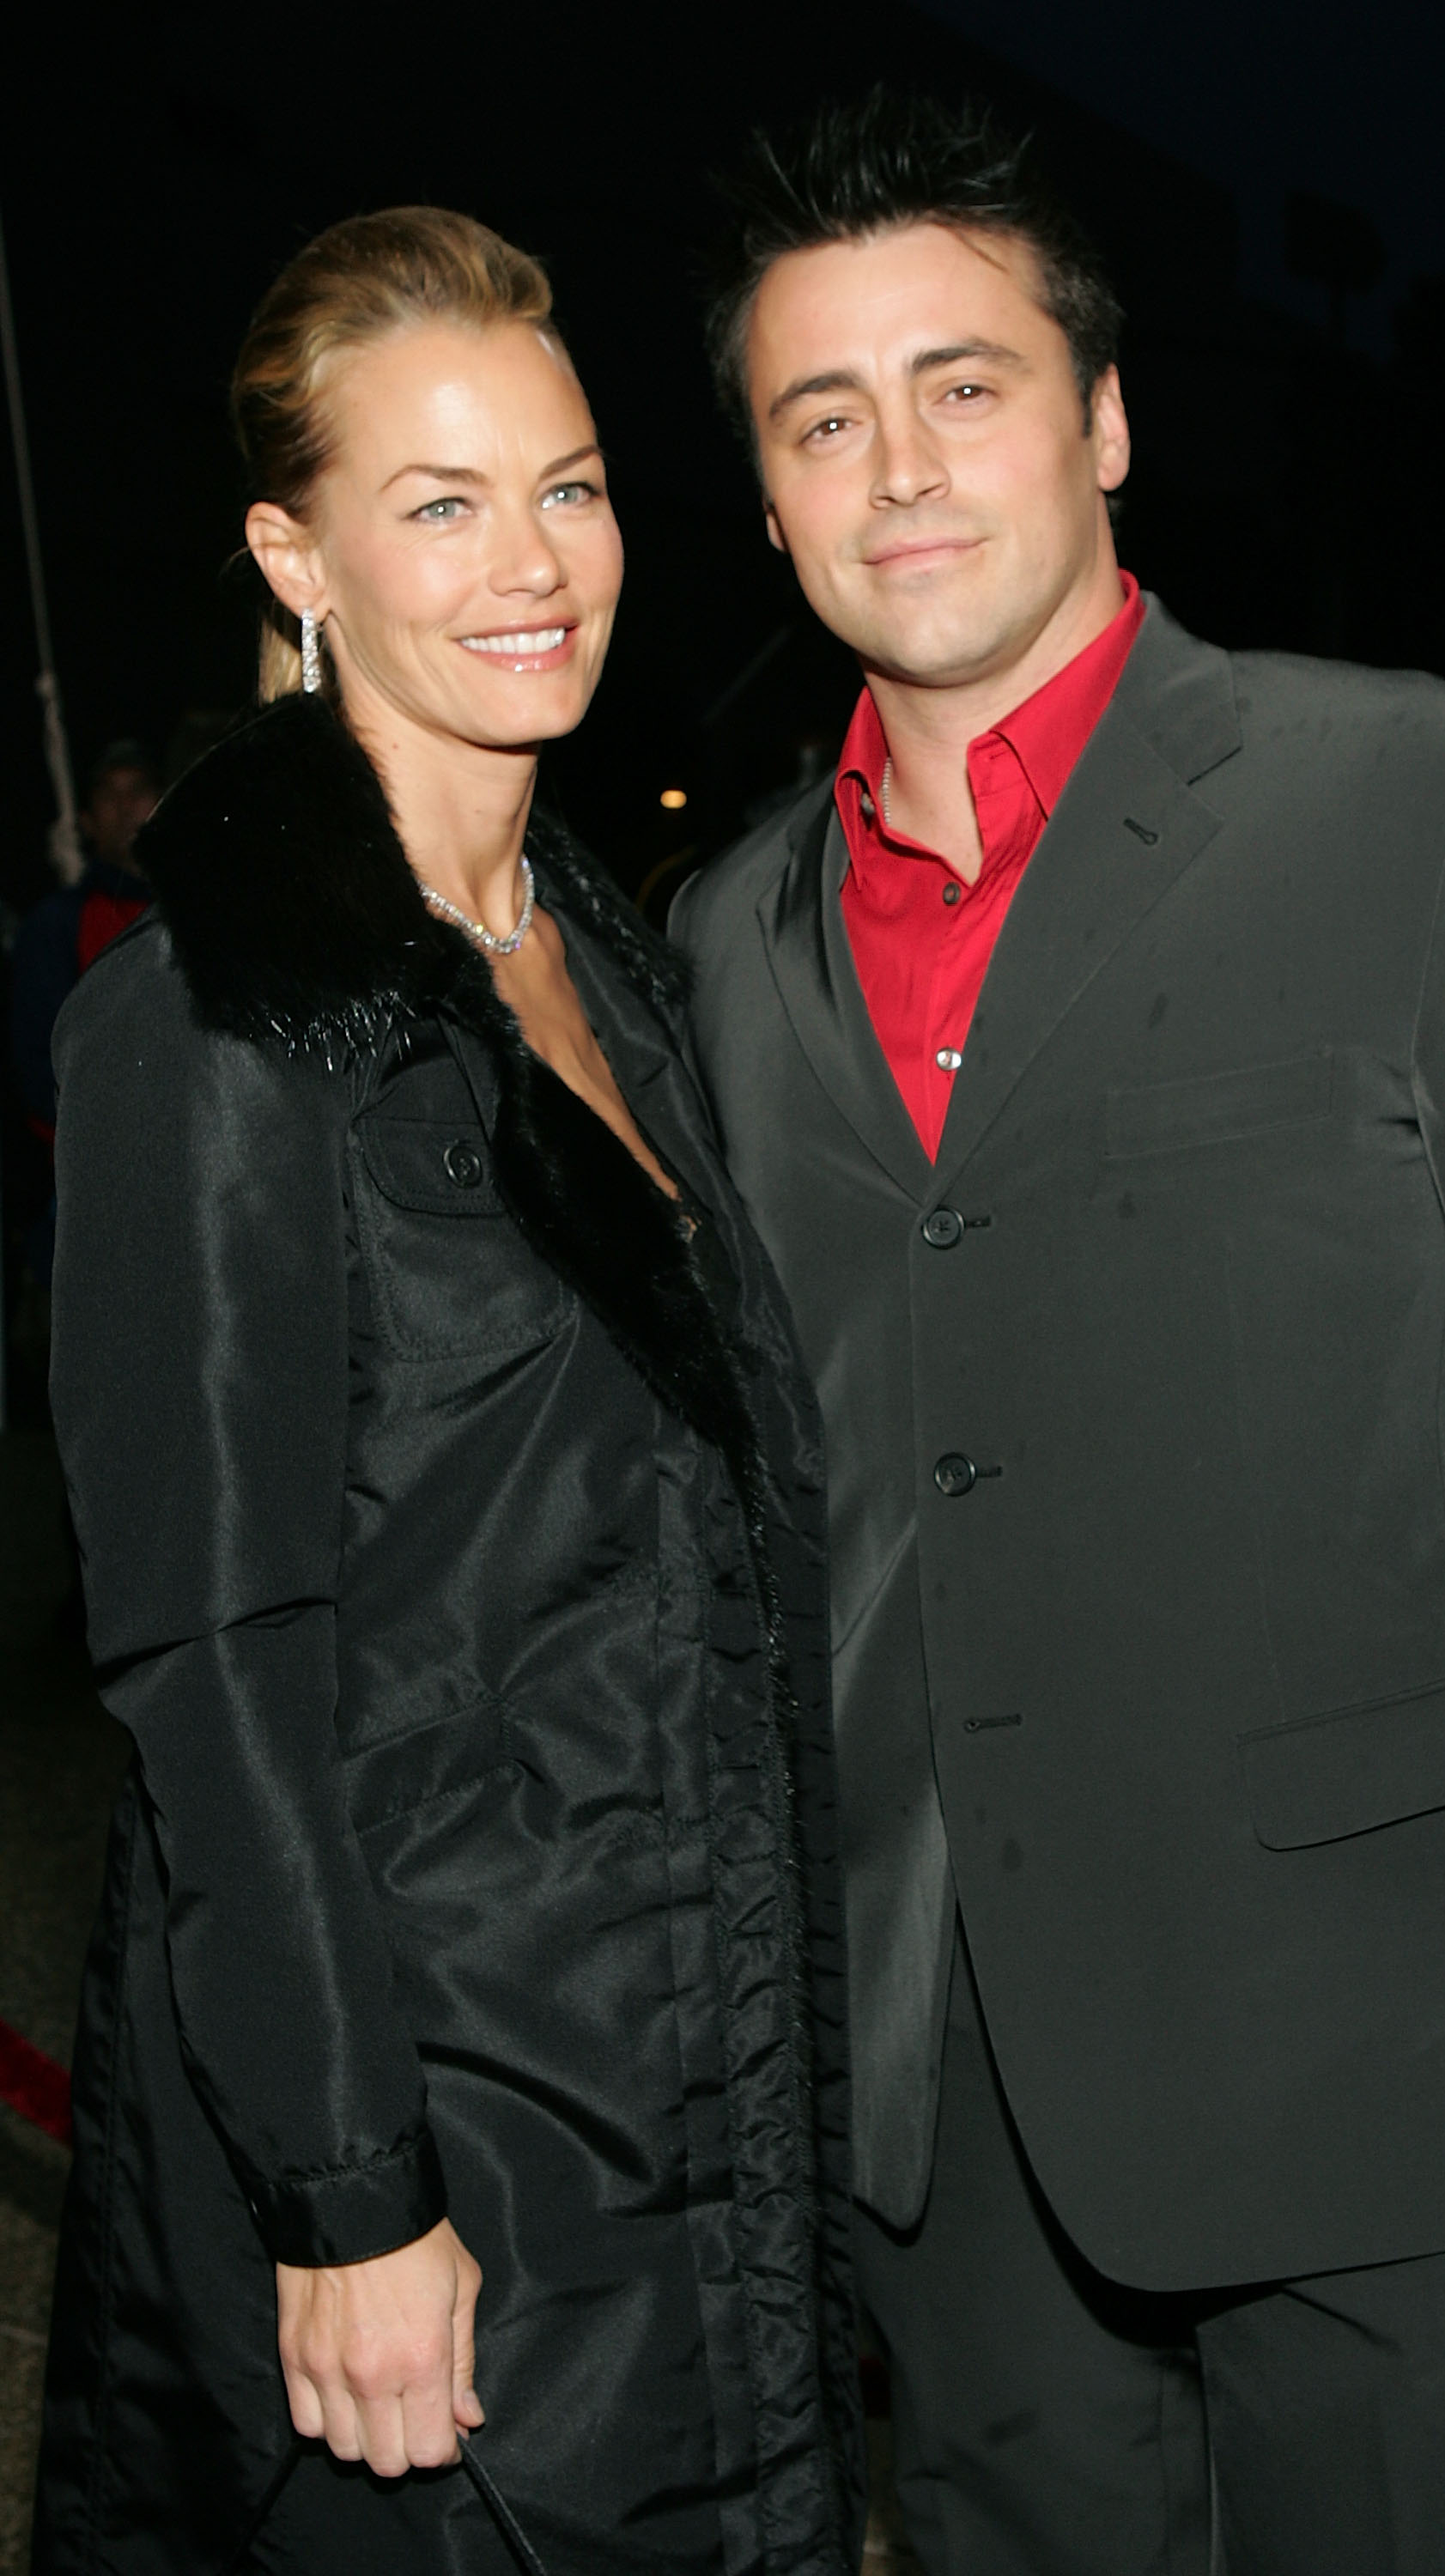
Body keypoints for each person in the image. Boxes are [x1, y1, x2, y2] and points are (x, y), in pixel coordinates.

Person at [670, 93, 1445, 2576]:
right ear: (764, 500)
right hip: (935, 2084)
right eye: (819, 415)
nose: (898, 465)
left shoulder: (1411, 796)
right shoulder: (723, 951)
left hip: (1392, 2048)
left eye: (961, 385)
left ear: (1098, 420)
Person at [33, 209, 859, 2576]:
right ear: (293, 553)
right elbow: (215, 1672)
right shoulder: (209, 1024)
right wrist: (348, 2192)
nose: (536, 565)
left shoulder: (607, 945)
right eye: (441, 501)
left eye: (572, 486)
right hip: (446, 2122)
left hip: (681, 2065)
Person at [9, 743, 159, 1307]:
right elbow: (39, 1063)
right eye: (109, 795)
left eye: (138, 792)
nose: (126, 808)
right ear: (88, 819)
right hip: (90, 1193)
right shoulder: (56, 925)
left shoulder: (201, 923)